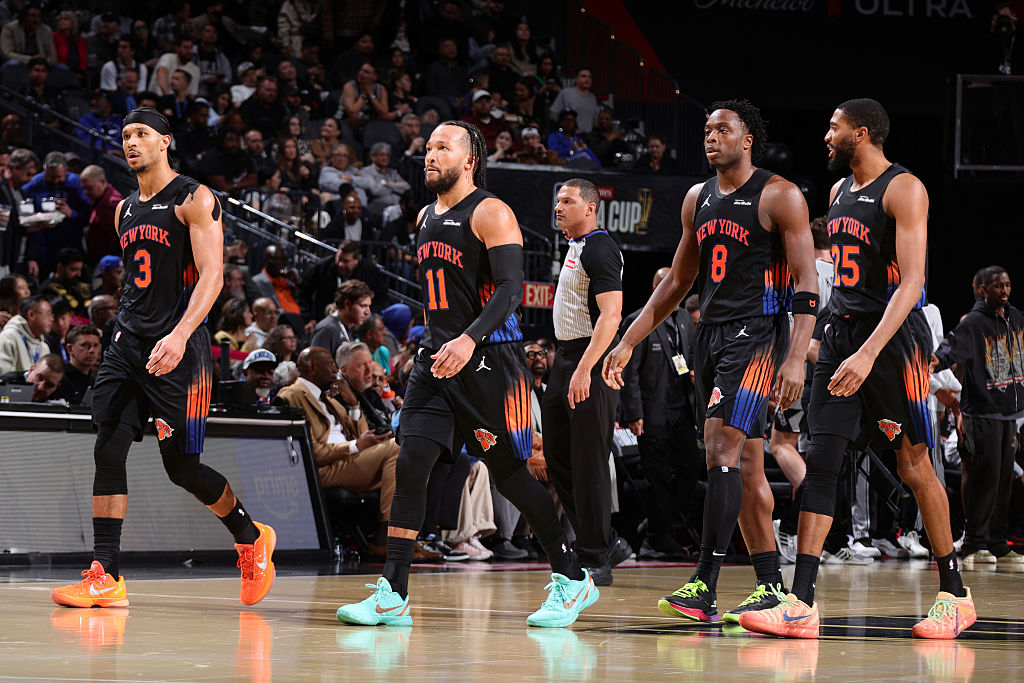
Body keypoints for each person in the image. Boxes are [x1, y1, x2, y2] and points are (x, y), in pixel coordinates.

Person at [336, 121, 599, 629]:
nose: (430, 155)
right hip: (437, 360)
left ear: (470, 158)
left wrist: (467, 338)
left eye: (443, 148)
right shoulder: (423, 216)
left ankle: (572, 576)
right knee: (411, 463)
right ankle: (393, 592)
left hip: (489, 363)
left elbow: (509, 291)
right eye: (429, 147)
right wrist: (431, 340)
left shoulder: (492, 212)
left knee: (512, 478)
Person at [737, 98, 975, 640]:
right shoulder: (838, 192)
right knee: (820, 463)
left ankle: (955, 594)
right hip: (842, 333)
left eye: (834, 126)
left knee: (915, 466)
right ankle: (801, 602)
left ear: (860, 132)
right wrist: (824, 341)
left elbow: (912, 281)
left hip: (892, 342)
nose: (826, 135)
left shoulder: (904, 188)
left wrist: (868, 352)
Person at [50, 107, 276, 610]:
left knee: (182, 468)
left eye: (142, 134)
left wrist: (178, 335)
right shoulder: (124, 208)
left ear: (165, 142)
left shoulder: (195, 197)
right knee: (108, 448)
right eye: (126, 134)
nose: (131, 142)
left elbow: (212, 276)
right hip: (128, 344)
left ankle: (250, 537)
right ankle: (105, 574)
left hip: (181, 347)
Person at [603, 99, 818, 624]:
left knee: (719, 449)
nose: (711, 136)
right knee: (743, 463)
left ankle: (706, 583)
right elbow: (677, 282)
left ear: (748, 140)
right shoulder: (696, 198)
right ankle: (770, 585)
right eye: (707, 129)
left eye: (723, 129)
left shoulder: (780, 195)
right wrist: (628, 340)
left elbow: (807, 286)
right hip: (712, 336)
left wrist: (794, 359)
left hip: (759, 336)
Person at [543, 178, 630, 586]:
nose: (559, 207)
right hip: (565, 359)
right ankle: (605, 541)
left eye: (568, 201)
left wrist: (584, 368)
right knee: (558, 457)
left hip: (587, 362)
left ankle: (596, 557)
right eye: (558, 201)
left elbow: (611, 317)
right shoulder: (574, 245)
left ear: (591, 208)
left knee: (589, 461)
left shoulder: (600, 248)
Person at [933, 266, 1024, 566]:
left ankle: (998, 542)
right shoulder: (973, 323)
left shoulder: (1016, 319)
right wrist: (932, 362)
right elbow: (947, 350)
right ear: (983, 289)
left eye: (1008, 285)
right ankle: (974, 541)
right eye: (998, 286)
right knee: (985, 477)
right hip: (982, 410)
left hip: (1010, 411)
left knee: (1003, 478)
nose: (1005, 291)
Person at [277, 345, 399, 556]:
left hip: (349, 461)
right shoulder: (292, 394)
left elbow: (362, 433)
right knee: (397, 447)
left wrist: (352, 402)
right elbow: (309, 452)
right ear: (311, 367)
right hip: (325, 469)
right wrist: (355, 446)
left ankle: (408, 536)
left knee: (414, 456)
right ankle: (384, 536)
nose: (336, 371)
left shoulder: (330, 399)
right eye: (331, 366)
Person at [620, 267, 699, 560]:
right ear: (656, 289)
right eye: (667, 286)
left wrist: (694, 373)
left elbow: (690, 357)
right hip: (651, 413)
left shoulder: (683, 320)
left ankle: (659, 522)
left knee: (691, 466)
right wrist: (633, 412)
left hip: (681, 411)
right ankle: (657, 537)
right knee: (658, 477)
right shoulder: (639, 320)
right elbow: (630, 374)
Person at [299, 240, 388, 328]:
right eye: (339, 258)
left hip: (359, 325)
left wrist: (366, 317)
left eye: (345, 261)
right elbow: (304, 292)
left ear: (356, 260)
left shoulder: (370, 272)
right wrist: (309, 318)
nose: (340, 264)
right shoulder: (322, 267)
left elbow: (381, 298)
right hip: (325, 320)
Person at [310, 278, 372, 358]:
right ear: (347, 304)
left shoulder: (347, 329)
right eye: (363, 306)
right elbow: (316, 365)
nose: (368, 312)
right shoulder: (326, 329)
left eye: (368, 306)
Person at [80, 165, 124, 266]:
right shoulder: (100, 199)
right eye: (84, 188)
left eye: (90, 188)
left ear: (103, 182)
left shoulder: (112, 203)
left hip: (108, 263)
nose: (86, 192)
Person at [0, 293, 51, 373]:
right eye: (47, 314)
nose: (51, 319)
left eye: (52, 314)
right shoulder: (8, 337)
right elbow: (4, 375)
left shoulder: (44, 347)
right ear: (31, 315)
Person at [51, 323, 100, 404]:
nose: (92, 350)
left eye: (96, 345)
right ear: (70, 349)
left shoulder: (97, 383)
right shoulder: (57, 379)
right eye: (85, 345)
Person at [41, 247, 92, 317]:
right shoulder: (47, 289)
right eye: (74, 269)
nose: (78, 274)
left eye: (80, 269)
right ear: (60, 267)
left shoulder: (78, 285)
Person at [549, 67, 598, 134]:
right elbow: (553, 116)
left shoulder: (593, 98)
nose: (587, 79)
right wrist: (562, 130)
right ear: (576, 79)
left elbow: (594, 121)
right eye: (583, 76)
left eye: (590, 77)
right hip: (569, 136)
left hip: (588, 137)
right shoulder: (566, 93)